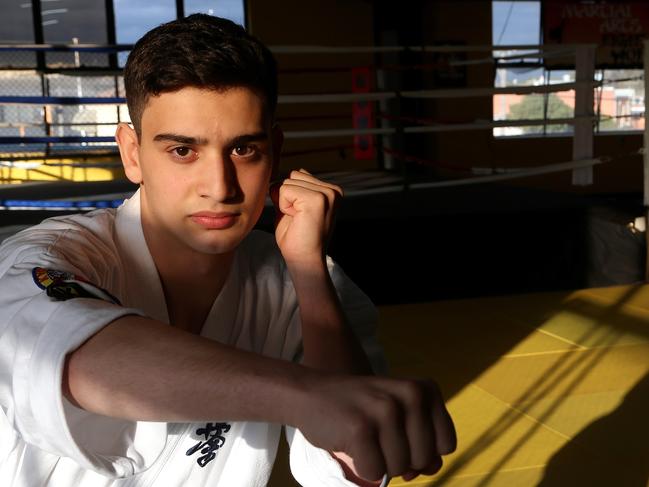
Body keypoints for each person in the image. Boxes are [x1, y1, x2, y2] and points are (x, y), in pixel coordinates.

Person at [0, 13, 455, 487]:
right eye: (182, 151)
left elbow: (350, 470)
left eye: (243, 150)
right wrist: (304, 395)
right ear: (132, 153)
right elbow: (59, 352)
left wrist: (308, 271)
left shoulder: (300, 280)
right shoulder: (50, 257)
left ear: (274, 151)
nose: (219, 187)